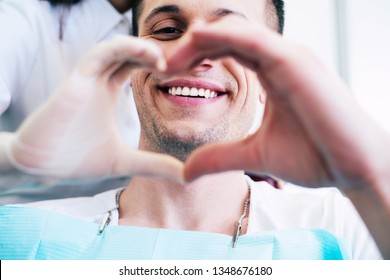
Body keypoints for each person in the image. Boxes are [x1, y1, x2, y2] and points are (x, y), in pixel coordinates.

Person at [0, 0, 387, 259]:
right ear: (131, 70)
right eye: (168, 30)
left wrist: (369, 178)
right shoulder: (30, 232)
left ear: (269, 78)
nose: (195, 54)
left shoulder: (345, 220)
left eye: (233, 37)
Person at [0, 0, 140, 204]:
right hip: (26, 216)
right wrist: (18, 154)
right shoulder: (22, 17)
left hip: (126, 220)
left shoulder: (174, 28)